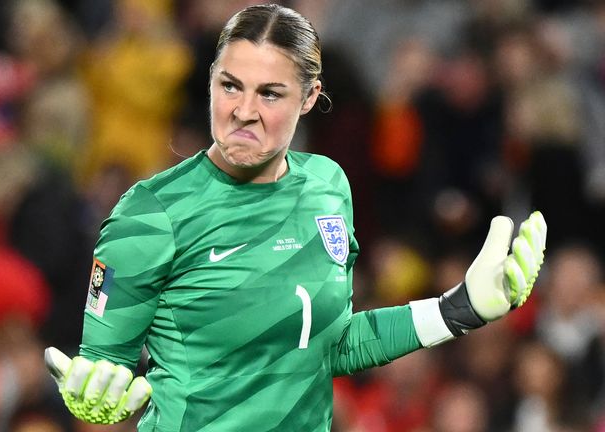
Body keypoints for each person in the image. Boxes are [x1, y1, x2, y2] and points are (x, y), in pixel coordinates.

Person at [44, 4, 547, 431]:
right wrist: (93, 396)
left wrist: (458, 310)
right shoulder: (151, 214)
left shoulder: (329, 187)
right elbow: (101, 372)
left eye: (269, 93)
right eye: (230, 85)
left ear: (309, 97)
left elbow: (330, 344)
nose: (242, 110)